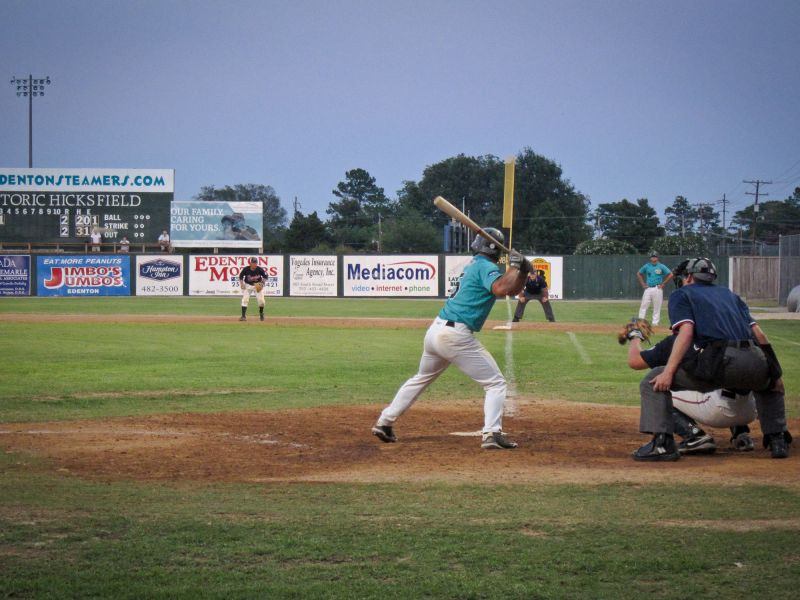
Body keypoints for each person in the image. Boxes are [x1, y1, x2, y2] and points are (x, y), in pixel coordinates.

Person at [371, 228, 531, 450]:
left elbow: (509, 286)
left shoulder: (475, 264)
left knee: (421, 377)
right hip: (454, 335)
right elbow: (501, 288)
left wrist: (522, 272)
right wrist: (517, 267)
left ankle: (385, 422)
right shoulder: (485, 266)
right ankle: (492, 434)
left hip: (436, 330)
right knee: (495, 383)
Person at [632, 257, 792, 461]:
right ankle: (777, 438)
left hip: (720, 360)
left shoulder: (682, 294)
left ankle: (662, 444)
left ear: (689, 277)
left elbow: (687, 332)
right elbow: (759, 335)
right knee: (770, 384)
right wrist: (774, 373)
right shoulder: (730, 295)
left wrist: (668, 372)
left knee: (653, 379)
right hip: (754, 356)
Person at [625, 329, 757, 455]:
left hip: (718, 410)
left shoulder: (680, 340)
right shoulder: (738, 335)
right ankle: (741, 433)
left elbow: (635, 361)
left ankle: (694, 435)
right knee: (733, 375)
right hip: (750, 411)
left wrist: (635, 336)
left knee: (656, 387)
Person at [636, 252, 673, 326]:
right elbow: (639, 273)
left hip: (657, 288)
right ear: (650, 258)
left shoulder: (661, 266)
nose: (654, 258)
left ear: (657, 258)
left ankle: (655, 323)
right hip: (648, 288)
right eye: (652, 257)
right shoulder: (647, 266)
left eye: (655, 256)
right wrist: (643, 284)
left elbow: (670, 274)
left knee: (657, 306)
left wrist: (663, 283)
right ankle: (640, 321)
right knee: (644, 305)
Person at [238, 256, 268, 321]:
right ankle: (243, 316)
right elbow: (241, 276)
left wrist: (262, 282)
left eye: (255, 263)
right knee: (245, 300)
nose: (254, 264)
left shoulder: (259, 269)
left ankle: (261, 314)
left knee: (261, 301)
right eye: (253, 263)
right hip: (248, 285)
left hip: (257, 285)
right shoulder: (246, 269)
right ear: (250, 263)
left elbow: (266, 276)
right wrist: (241, 283)